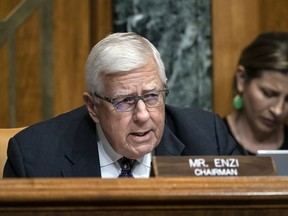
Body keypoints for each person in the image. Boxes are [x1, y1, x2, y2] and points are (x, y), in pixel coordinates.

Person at [3, 32, 239, 178]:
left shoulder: (209, 139)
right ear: (93, 107)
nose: (143, 115)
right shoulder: (34, 158)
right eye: (125, 101)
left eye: (151, 96)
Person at [223, 32, 288, 155]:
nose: (278, 110)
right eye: (268, 94)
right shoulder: (212, 142)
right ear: (242, 79)